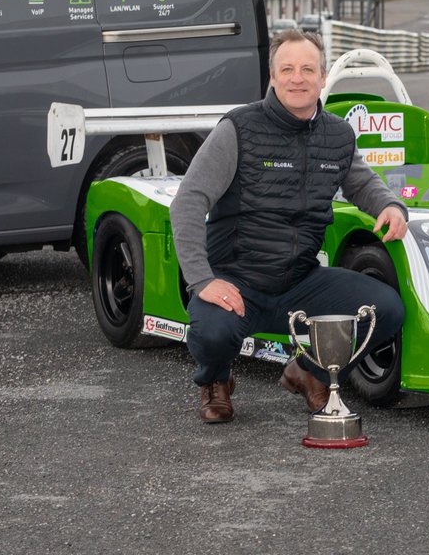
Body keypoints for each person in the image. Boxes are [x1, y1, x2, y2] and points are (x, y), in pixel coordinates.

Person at [170, 29, 408, 423]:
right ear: (273, 76)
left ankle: (310, 372)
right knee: (211, 333)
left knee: (385, 310)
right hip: (237, 280)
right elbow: (188, 202)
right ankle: (215, 379)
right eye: (287, 69)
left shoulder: (338, 135)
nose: (298, 78)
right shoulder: (238, 129)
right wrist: (202, 279)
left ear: (323, 77)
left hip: (301, 281)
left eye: (307, 70)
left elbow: (363, 184)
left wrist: (390, 206)